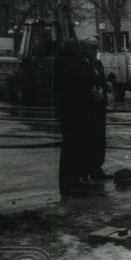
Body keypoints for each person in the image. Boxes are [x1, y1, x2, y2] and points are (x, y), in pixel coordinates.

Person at [53, 39, 100, 197]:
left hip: (73, 112)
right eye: (78, 49)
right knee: (71, 149)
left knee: (74, 148)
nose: (81, 51)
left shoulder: (65, 63)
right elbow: (84, 77)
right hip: (73, 113)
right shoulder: (68, 65)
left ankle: (73, 181)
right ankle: (69, 183)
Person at [79, 37, 110, 181]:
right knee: (88, 139)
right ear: (84, 50)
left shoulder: (97, 63)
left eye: (96, 48)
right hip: (88, 107)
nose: (95, 51)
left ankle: (97, 168)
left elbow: (101, 79)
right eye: (92, 48)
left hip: (99, 105)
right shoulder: (81, 65)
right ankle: (86, 170)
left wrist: (106, 86)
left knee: (99, 138)